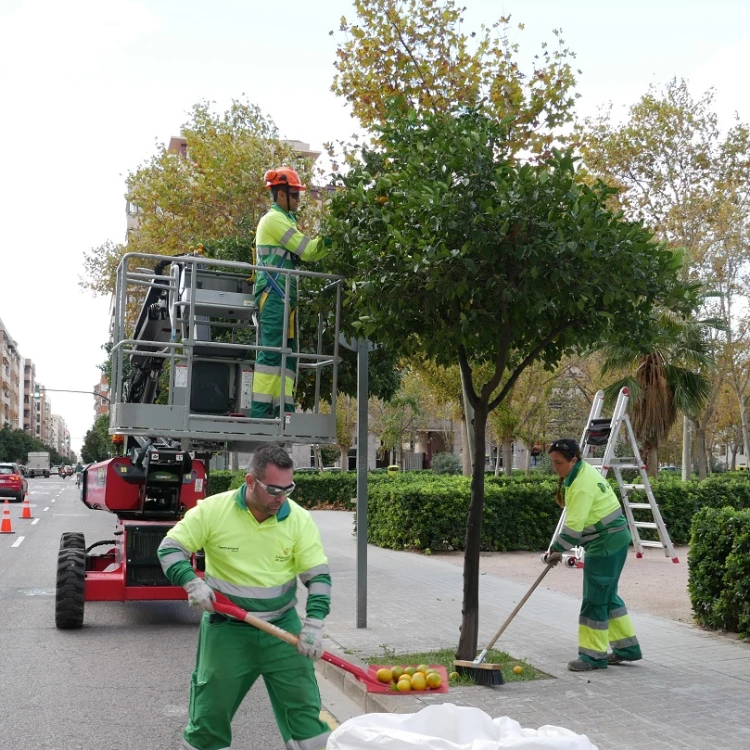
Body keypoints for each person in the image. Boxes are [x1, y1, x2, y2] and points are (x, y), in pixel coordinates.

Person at [157, 444, 332, 750]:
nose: (281, 498)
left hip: (282, 628)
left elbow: (317, 576)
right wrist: (192, 583)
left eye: (287, 489)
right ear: (251, 481)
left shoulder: (298, 519)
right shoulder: (214, 511)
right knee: (208, 718)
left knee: (306, 715)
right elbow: (170, 549)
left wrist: (315, 624)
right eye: (273, 489)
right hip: (227, 630)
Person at [544, 438, 642, 672]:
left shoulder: (581, 484)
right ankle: (627, 648)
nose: (555, 467)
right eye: (552, 463)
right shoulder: (581, 473)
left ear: (573, 460)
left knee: (595, 600)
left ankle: (592, 657)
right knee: (607, 597)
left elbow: (573, 527)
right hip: (611, 540)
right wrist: (557, 549)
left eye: (558, 463)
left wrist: (555, 550)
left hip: (606, 543)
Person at [251, 167, 331, 420]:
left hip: (283, 297)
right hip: (273, 294)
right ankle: (261, 415)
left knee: (287, 359)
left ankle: (283, 413)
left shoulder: (286, 220)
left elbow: (312, 254)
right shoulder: (274, 219)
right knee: (271, 355)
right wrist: (332, 238)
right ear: (281, 194)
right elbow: (308, 250)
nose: (298, 199)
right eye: (295, 194)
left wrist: (330, 243)